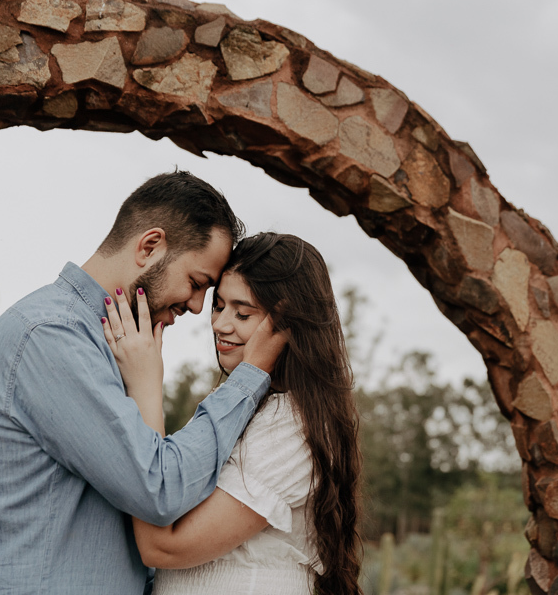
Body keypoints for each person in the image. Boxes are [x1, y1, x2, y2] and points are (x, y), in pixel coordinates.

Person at [0, 171, 286, 594]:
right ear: (150, 246)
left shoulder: (108, 343)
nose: (199, 307)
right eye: (196, 283)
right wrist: (250, 377)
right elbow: (159, 488)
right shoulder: (51, 338)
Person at [102, 232, 363, 595]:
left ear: (286, 324)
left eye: (242, 313)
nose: (220, 325)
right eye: (219, 306)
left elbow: (162, 546)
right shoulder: (241, 407)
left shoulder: (292, 427)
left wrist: (145, 387)